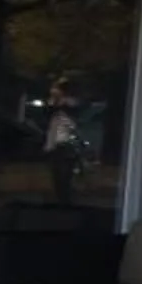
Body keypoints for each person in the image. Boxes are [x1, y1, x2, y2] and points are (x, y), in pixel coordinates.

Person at [43, 76, 82, 204]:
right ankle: (61, 196)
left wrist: (59, 100)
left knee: (65, 172)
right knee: (57, 172)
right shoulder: (54, 103)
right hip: (56, 142)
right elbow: (48, 110)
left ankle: (65, 197)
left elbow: (70, 109)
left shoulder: (70, 102)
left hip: (66, 142)